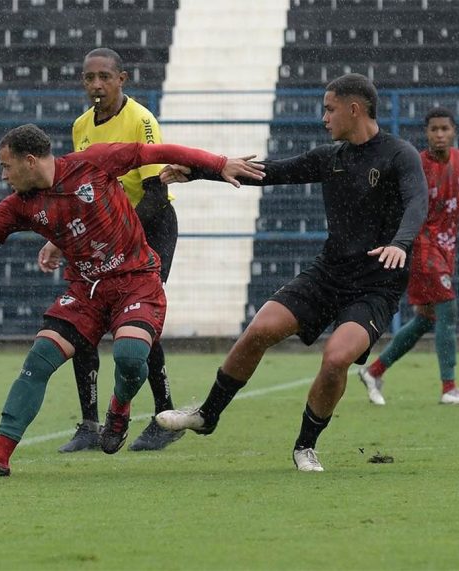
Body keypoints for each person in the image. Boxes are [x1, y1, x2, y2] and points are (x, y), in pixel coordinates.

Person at [0, 124, 263, 479]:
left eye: (6, 167)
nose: (3, 176)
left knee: (130, 357)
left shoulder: (93, 163)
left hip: (135, 282)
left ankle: (119, 409)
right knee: (38, 360)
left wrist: (218, 163)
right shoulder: (20, 206)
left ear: (30, 161)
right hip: (85, 292)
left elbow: (155, 152)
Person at [154, 73, 428, 472]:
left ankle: (305, 446)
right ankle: (207, 414)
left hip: (375, 286)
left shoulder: (399, 154)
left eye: (329, 109)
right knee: (260, 328)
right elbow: (269, 172)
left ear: (355, 109)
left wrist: (400, 243)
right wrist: (199, 171)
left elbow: (417, 201)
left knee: (336, 359)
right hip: (328, 274)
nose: (324, 118)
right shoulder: (328, 157)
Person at [38, 48, 185, 453]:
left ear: (123, 78)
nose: (97, 85)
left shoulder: (141, 121)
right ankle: (88, 423)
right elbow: (77, 192)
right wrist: (58, 237)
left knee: (138, 317)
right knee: (86, 315)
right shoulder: (81, 126)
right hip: (102, 235)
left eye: (105, 77)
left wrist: (122, 233)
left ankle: (165, 416)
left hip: (151, 227)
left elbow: (157, 192)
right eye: (89, 78)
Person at [358, 107, 459, 406]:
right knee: (448, 307)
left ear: (454, 132)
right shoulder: (417, 164)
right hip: (421, 245)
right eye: (433, 129)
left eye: (444, 129)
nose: (439, 134)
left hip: (447, 246)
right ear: (426, 133)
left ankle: (375, 370)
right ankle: (449, 387)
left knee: (426, 319)